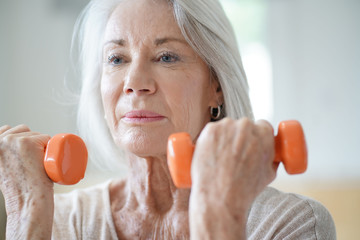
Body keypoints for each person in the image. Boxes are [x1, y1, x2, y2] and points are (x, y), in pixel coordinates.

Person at [0, 0, 336, 239]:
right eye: (116, 59)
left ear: (215, 87)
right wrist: (27, 216)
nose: (134, 82)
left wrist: (219, 215)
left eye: (166, 56)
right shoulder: (59, 223)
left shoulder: (290, 224)